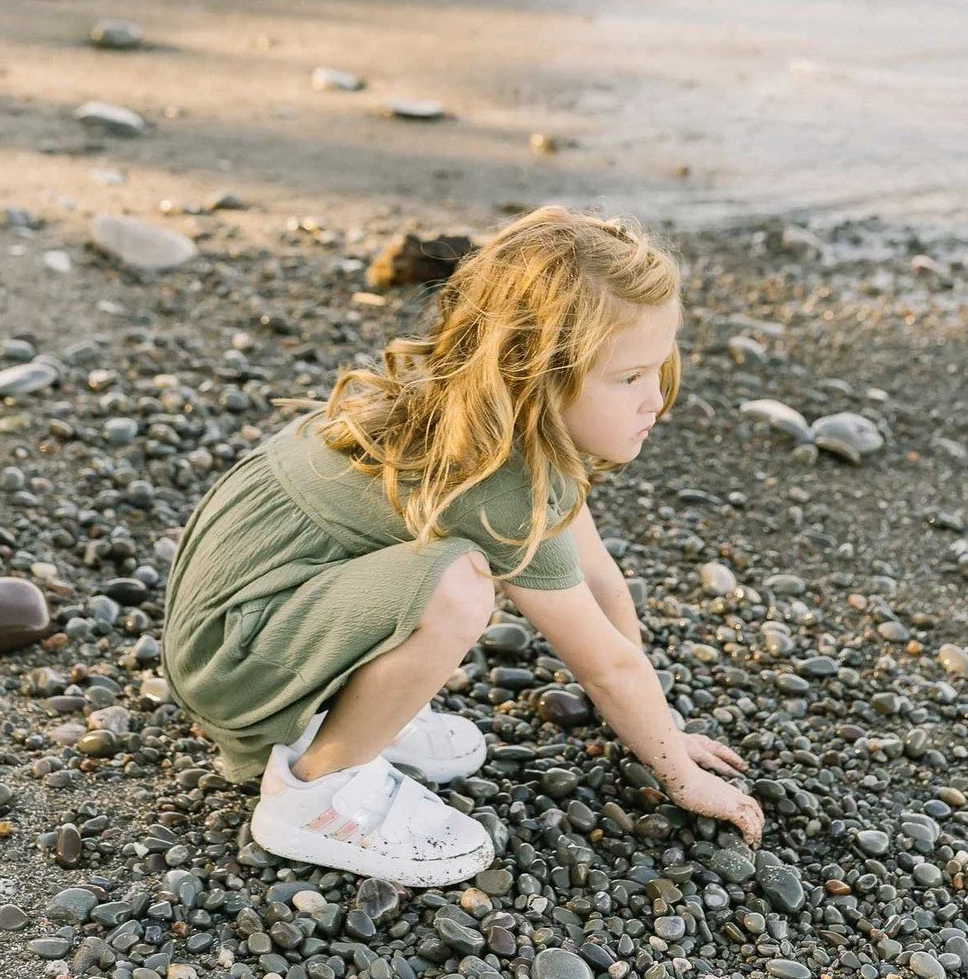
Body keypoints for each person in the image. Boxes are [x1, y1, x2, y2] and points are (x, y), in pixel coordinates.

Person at [161, 205, 764, 887]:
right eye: (628, 378)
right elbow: (604, 667)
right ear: (534, 374)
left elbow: (597, 580)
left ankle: (350, 716)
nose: (655, 399)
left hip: (260, 617)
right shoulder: (495, 482)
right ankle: (317, 790)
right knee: (456, 585)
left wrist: (662, 727)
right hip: (233, 655)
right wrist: (681, 777)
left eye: (661, 366)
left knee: (441, 577)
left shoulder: (489, 416)